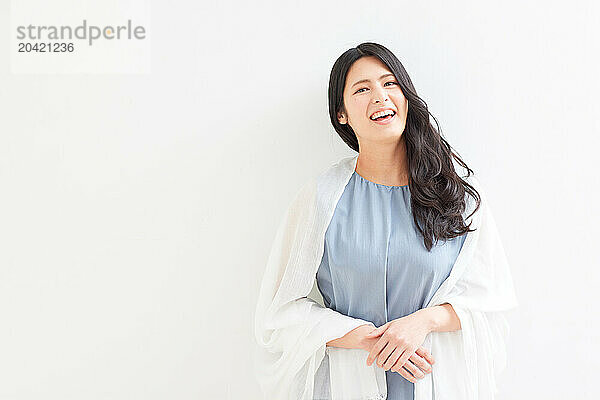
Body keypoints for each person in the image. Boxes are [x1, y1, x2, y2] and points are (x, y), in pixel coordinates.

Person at [254, 42, 518, 400]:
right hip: (352, 385)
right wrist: (369, 339)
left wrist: (421, 323)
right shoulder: (320, 199)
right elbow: (281, 313)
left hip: (437, 384)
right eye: (362, 89)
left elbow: (491, 303)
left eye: (390, 83)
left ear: (406, 98)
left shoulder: (456, 196)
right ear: (342, 114)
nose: (380, 96)